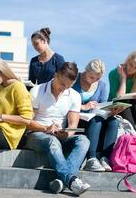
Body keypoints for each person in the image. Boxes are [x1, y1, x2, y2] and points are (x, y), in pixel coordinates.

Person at [25, 62, 91, 196]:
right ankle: (72, 180)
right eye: (62, 84)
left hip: (58, 135)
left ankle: (63, 181)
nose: (64, 89)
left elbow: (73, 125)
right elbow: (27, 122)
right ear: (55, 75)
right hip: (36, 135)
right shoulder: (37, 90)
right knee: (52, 141)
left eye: (68, 86)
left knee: (84, 141)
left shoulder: (74, 95)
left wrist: (67, 133)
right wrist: (46, 128)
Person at [73, 59, 119, 172]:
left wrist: (110, 111)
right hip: (77, 116)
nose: (93, 81)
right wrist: (83, 107)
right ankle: (91, 158)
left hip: (94, 117)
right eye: (91, 77)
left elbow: (102, 105)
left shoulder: (102, 85)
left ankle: (105, 158)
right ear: (86, 71)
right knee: (96, 120)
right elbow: (65, 100)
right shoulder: (74, 79)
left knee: (114, 121)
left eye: (97, 78)